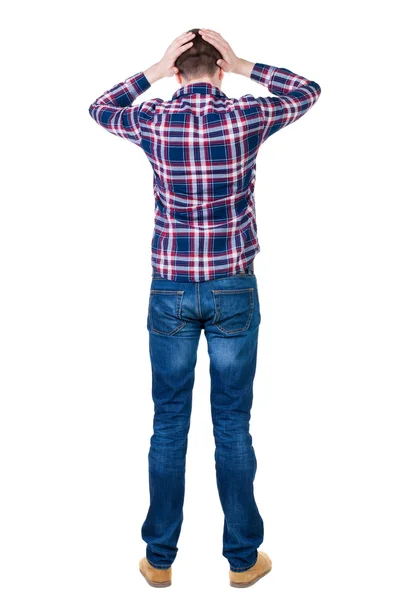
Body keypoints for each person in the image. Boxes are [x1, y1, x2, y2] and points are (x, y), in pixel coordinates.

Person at [88, 27, 321, 588]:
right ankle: (243, 561)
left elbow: (99, 108)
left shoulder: (154, 120)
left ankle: (159, 559)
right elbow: (307, 90)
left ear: (177, 73)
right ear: (218, 73)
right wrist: (243, 63)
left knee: (168, 424)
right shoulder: (245, 117)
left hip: (170, 287)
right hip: (233, 287)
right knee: (232, 426)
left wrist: (153, 68)